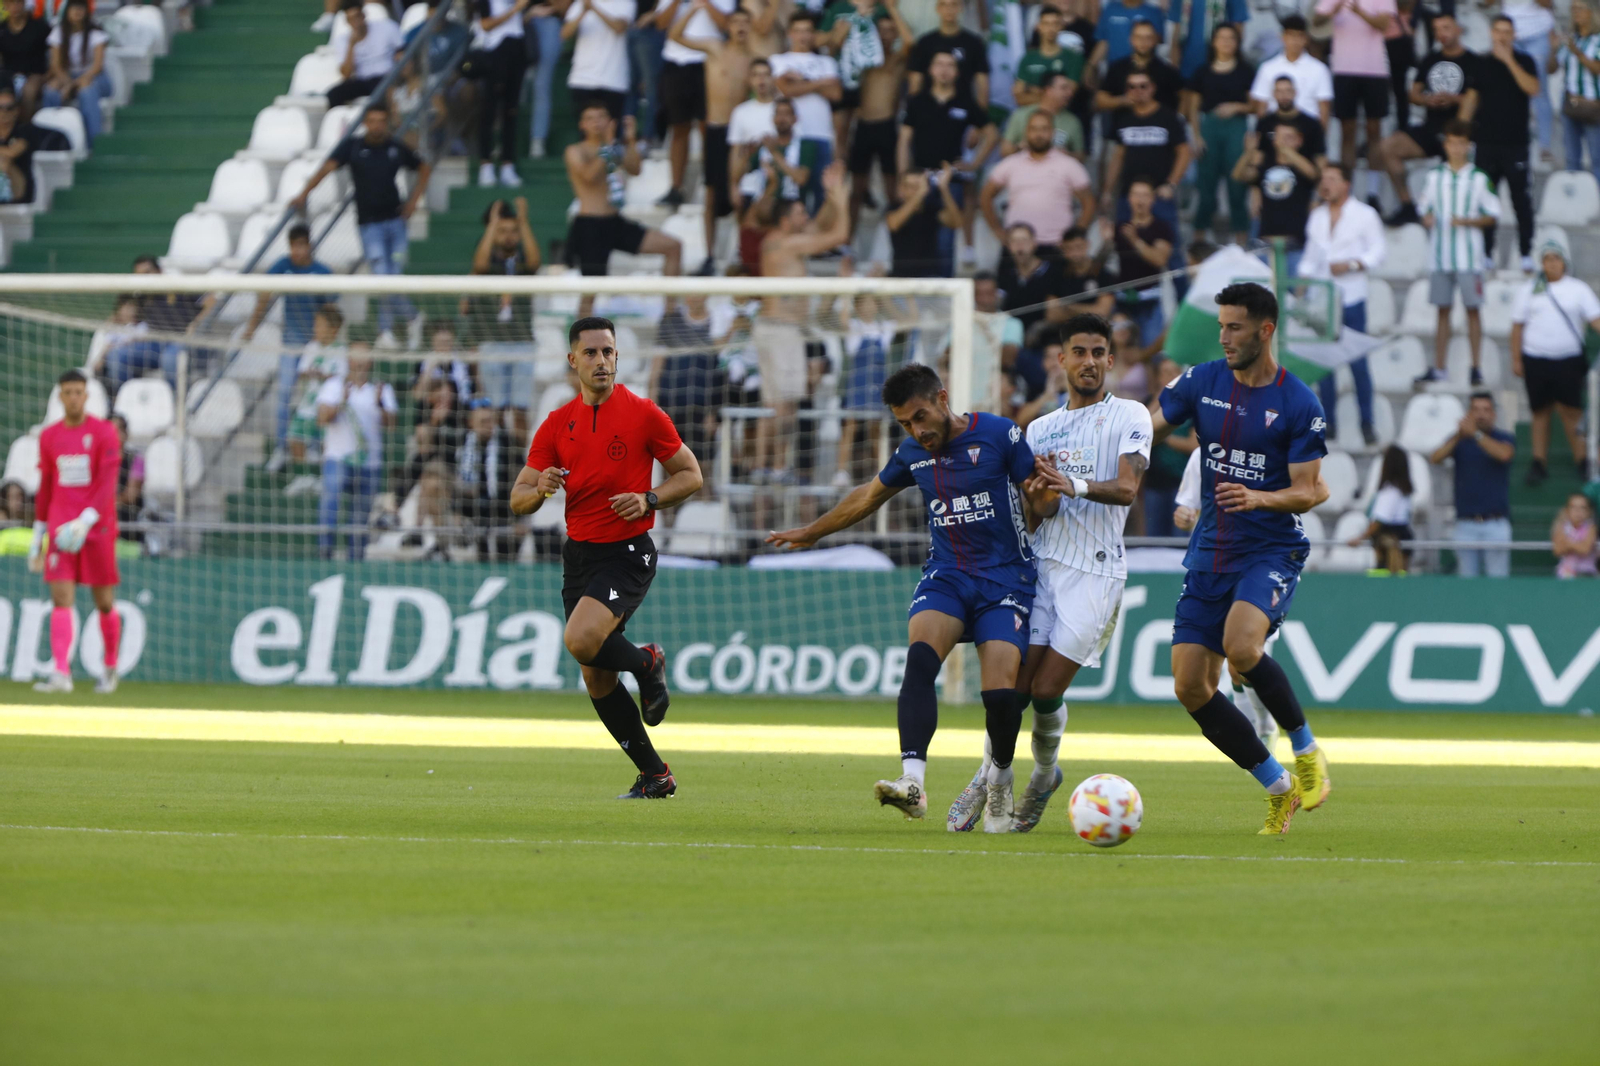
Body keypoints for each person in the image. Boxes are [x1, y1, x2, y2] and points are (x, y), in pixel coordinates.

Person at [767, 363, 1040, 831]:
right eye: (905, 424)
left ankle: (998, 779)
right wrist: (813, 533)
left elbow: (1038, 498)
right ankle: (913, 783)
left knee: (1000, 697)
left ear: (942, 398)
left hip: (1005, 581)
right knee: (919, 659)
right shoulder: (913, 453)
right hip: (948, 576)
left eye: (919, 417)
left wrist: (1047, 498)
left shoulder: (999, 435)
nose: (917, 430)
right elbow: (867, 497)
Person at [947, 313, 1153, 833]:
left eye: (1098, 353)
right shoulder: (1039, 428)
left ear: (1111, 359)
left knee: (1045, 692)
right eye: (1078, 352)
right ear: (1060, 360)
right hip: (1040, 568)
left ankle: (1042, 775)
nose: (1089, 362)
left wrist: (1069, 484)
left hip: (1096, 573)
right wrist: (1040, 499)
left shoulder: (1131, 415)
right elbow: (1037, 511)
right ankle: (991, 779)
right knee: (1012, 688)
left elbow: (1127, 488)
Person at [1149, 282, 1332, 835]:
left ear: (1265, 330)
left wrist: (1258, 497)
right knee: (1189, 686)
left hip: (1270, 548)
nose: (1223, 337)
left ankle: (1306, 750)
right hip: (1211, 551)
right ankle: (1279, 787)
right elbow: (1149, 425)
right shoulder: (1203, 382)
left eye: (1234, 327)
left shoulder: (1298, 401)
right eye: (1221, 326)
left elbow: (1310, 490)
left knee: (1242, 647)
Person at [511, 316, 705, 799]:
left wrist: (650, 499)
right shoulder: (557, 423)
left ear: (618, 357)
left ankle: (647, 661)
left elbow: (691, 475)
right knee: (596, 675)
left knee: (580, 639)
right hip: (579, 555)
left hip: (628, 552)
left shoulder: (643, 414)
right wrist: (541, 488)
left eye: (609, 352)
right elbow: (518, 497)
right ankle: (656, 776)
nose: (602, 360)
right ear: (572, 360)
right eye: (592, 352)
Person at [291, 103, 432, 349]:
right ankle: (411, 318)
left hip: (396, 224)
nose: (376, 125)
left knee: (394, 276)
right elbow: (326, 168)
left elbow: (423, 167)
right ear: (365, 122)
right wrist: (304, 193)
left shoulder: (395, 148)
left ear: (386, 122)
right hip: (370, 227)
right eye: (372, 120)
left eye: (381, 120)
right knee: (382, 276)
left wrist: (413, 201)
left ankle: (389, 330)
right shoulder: (354, 147)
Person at [27, 369, 122, 695]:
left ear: (87, 395)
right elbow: (47, 486)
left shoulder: (104, 433)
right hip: (61, 527)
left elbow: (107, 482)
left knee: (104, 602)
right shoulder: (49, 436)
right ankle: (61, 673)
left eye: (78, 392)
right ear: (59, 396)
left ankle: (110, 667)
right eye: (67, 392)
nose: (73, 397)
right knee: (60, 598)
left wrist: (88, 518)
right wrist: (38, 533)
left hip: (96, 528)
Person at [755, 164, 850, 476]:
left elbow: (818, 223)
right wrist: (842, 199)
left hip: (774, 328)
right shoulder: (788, 243)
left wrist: (829, 193)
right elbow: (839, 234)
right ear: (786, 220)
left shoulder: (778, 239)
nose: (805, 218)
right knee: (784, 404)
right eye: (799, 213)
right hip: (782, 330)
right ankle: (777, 465)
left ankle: (766, 467)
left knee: (774, 404)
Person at [563, 105, 681, 314]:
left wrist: (630, 140)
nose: (596, 122)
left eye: (601, 116)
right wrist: (607, 145)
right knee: (590, 291)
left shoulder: (615, 148)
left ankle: (669, 316)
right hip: (590, 225)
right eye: (590, 118)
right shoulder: (575, 150)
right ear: (582, 124)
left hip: (615, 222)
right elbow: (589, 177)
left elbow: (636, 170)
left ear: (610, 120)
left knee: (673, 246)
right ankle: (578, 341)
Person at [668, 1, 757, 274]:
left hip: (742, 134)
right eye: (735, 22)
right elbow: (675, 36)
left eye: (745, 23)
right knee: (710, 193)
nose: (740, 27)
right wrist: (695, 9)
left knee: (743, 195)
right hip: (717, 130)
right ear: (727, 26)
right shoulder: (715, 48)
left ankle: (742, 254)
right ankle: (709, 255)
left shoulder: (755, 59)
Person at [1300, 162, 1385, 445]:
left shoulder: (1364, 215)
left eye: (1332, 179)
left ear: (1346, 184)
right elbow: (1310, 258)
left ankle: (1367, 421)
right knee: (1324, 364)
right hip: (1322, 298)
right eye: (1324, 179)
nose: (1326, 185)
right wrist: (1301, 287)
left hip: (1352, 296)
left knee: (1357, 363)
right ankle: (1329, 422)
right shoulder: (1317, 217)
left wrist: (1351, 264)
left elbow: (1378, 251)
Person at [242, 224, 338, 472]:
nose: (297, 251)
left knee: (318, 394)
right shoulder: (283, 266)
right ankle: (281, 448)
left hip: (317, 346)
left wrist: (328, 344)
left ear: (309, 246)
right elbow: (264, 294)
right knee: (284, 393)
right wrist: (251, 328)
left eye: (301, 245)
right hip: (292, 343)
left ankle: (316, 444)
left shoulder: (322, 273)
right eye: (293, 246)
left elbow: (331, 311)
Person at [1413, 120, 1496, 387]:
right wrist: (1426, 216)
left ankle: (1475, 366)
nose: (1457, 148)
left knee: (1473, 310)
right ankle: (1440, 367)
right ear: (1446, 145)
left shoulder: (1479, 178)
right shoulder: (1435, 176)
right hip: (1440, 256)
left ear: (1468, 146)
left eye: (1462, 144)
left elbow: (1493, 215)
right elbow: (1424, 206)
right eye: (1452, 143)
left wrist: (1468, 222)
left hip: (1470, 258)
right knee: (1442, 311)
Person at [898, 51, 996, 275]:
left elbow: (991, 134)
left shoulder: (965, 101)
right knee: (916, 234)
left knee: (945, 239)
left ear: (957, 72)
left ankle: (943, 295)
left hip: (949, 180)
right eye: (939, 64)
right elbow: (903, 141)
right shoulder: (917, 101)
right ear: (931, 70)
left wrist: (973, 164)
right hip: (919, 178)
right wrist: (903, 176)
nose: (944, 69)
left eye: (949, 65)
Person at [1510, 243, 1598, 485]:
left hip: (1568, 360)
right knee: (1540, 411)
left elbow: (1595, 319)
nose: (1552, 263)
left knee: (1572, 412)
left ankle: (1582, 460)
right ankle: (1539, 461)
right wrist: (1516, 359)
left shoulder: (1577, 289)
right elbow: (1517, 326)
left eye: (1556, 259)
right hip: (1536, 358)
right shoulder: (1529, 290)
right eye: (1547, 259)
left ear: (1565, 262)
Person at [1376, 12, 1476, 227]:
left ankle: (1457, 212)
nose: (1442, 34)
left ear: (1458, 29)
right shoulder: (1430, 59)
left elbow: (1478, 100)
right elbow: (1413, 94)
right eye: (1437, 29)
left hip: (1462, 132)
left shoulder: (1474, 61)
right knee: (1387, 147)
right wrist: (1427, 100)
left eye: (1446, 28)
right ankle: (1407, 206)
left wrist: (1454, 99)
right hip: (1432, 128)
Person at [463, 196, 540, 440]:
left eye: (513, 231)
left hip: (522, 343)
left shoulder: (523, 266)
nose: (508, 236)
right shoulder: (486, 267)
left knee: (520, 409)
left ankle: (520, 462)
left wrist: (524, 221)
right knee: (494, 409)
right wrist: (492, 226)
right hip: (492, 343)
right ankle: (495, 458)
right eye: (502, 231)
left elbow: (536, 260)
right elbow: (479, 263)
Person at [654, 0, 735, 209]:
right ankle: (676, 187)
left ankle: (711, 184)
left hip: (708, 62)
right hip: (675, 62)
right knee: (679, 127)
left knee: (706, 126)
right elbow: (661, 23)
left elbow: (726, 25)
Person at [1473, 15, 1539, 271]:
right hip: (1486, 144)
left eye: (1507, 32)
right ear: (1491, 33)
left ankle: (1525, 253)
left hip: (1516, 144)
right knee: (1485, 201)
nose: (1502, 36)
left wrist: (1509, 60)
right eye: (1498, 31)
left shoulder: (1525, 61)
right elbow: (1472, 97)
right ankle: (1486, 254)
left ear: (1514, 35)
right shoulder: (1481, 63)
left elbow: (1533, 88)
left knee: (1520, 200)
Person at [315, 351, 395, 561]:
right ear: (348, 361)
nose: (359, 364)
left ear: (370, 362)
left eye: (364, 360)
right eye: (355, 360)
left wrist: (380, 404)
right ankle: (324, 551)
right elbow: (322, 419)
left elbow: (392, 425)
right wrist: (342, 401)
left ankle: (356, 558)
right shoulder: (333, 385)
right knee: (331, 498)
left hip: (370, 463)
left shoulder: (382, 389)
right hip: (338, 458)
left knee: (361, 514)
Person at [1428, 391, 1515, 576]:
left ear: (1493, 414)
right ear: (1469, 413)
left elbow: (1504, 454)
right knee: (1467, 585)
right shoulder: (1460, 440)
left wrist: (1475, 434)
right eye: (1476, 410)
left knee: (1498, 583)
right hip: (1465, 523)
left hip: (1496, 523)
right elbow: (1435, 457)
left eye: (1486, 410)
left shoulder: (1504, 437)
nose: (1481, 414)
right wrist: (1460, 435)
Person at [1313, 0, 1394, 200]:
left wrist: (1358, 11)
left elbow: (1384, 25)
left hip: (1374, 70)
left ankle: (1373, 194)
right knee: (1346, 132)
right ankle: (1345, 193)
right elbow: (1315, 22)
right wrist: (1333, 9)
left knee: (1374, 131)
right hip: (1343, 69)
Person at [981, 109, 1094, 250]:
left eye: (1044, 129)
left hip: (1056, 245)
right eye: (1033, 129)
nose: (1038, 134)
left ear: (1053, 132)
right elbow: (985, 196)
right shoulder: (1010, 164)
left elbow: (1089, 202)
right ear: (1026, 132)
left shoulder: (1069, 165)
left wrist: (1074, 238)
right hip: (1017, 246)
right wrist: (998, 231)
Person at [845, 3, 913, 236]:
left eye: (889, 30)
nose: (885, 35)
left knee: (893, 191)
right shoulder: (864, 59)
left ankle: (896, 240)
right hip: (863, 126)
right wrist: (863, 17)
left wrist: (892, 9)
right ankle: (847, 243)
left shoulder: (897, 60)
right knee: (856, 191)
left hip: (886, 126)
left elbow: (910, 42)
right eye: (881, 30)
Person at [1184, 22, 1254, 245]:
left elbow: (1255, 105)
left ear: (1237, 43)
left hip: (1236, 127)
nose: (1226, 42)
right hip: (1209, 128)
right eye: (1221, 38)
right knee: (1206, 188)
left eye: (1231, 38)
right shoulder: (1202, 71)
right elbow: (1192, 107)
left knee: (1237, 186)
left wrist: (1236, 107)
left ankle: (1242, 241)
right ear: (1213, 42)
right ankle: (1199, 242)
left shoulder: (1246, 70)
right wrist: (1196, 135)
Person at [1102, 70, 1188, 245]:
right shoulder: (1123, 118)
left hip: (1159, 195)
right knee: (1125, 248)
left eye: (1143, 86)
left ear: (1152, 88)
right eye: (1132, 87)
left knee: (1171, 249)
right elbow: (1118, 156)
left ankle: (1178, 275)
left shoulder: (1168, 116)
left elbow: (1185, 152)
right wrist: (1107, 191)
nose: (1137, 90)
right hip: (1128, 195)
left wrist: (1171, 184)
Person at [771, 11, 843, 206]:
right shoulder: (778, 61)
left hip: (821, 136)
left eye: (808, 31)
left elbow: (836, 94)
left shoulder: (827, 62)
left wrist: (803, 80)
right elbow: (785, 89)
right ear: (789, 34)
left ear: (814, 35)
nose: (803, 36)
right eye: (798, 31)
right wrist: (820, 84)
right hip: (791, 138)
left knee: (821, 198)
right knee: (790, 200)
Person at [1233, 119, 1317, 264]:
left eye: (1289, 137)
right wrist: (1249, 153)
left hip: (1296, 244)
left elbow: (1313, 174)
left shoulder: (1304, 166)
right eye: (1280, 136)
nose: (1283, 141)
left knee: (1295, 285)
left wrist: (1285, 150)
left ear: (1299, 141)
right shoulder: (1265, 165)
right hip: (1266, 243)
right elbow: (1238, 175)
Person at [470, 0, 533, 188]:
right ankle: (486, 165)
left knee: (511, 111)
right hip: (496, 53)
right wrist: (516, 9)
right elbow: (486, 24)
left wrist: (530, 13)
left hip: (517, 50)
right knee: (489, 111)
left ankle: (508, 165)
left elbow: (516, 22)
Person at [1107, 178, 1174, 347]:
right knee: (1117, 349)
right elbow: (1098, 264)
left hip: (1150, 300)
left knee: (1150, 349)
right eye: (1136, 195)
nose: (1140, 200)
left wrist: (1135, 240)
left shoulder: (1161, 228)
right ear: (1129, 198)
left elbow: (1159, 259)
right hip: (1122, 300)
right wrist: (1105, 242)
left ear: (1152, 199)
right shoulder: (1119, 227)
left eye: (1145, 195)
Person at [455, 397, 520, 560]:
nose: (488, 426)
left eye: (490, 421)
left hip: (503, 508)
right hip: (470, 508)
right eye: (483, 422)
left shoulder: (508, 443)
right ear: (471, 423)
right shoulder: (461, 442)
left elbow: (522, 478)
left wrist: (521, 518)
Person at [40, 0, 109, 145]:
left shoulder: (96, 33)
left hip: (95, 77)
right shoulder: (58, 32)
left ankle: (94, 143)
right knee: (50, 90)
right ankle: (51, 141)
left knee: (86, 91)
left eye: (81, 8)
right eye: (73, 8)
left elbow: (97, 66)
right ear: (66, 12)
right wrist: (68, 83)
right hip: (67, 76)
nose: (77, 12)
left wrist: (72, 86)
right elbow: (56, 66)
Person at [1246, 15, 1332, 128]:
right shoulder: (1267, 68)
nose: (1295, 41)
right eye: (1291, 35)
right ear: (1282, 37)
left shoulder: (1320, 69)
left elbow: (1324, 108)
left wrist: (1318, 140)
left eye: (1299, 36)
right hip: (1275, 133)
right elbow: (1262, 107)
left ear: (1306, 39)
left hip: (1307, 132)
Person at [906, 0, 990, 103]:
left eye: (954, 4)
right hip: (928, 110)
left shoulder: (974, 43)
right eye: (944, 4)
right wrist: (913, 112)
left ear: (961, 8)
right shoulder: (925, 43)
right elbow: (916, 82)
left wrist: (980, 115)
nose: (949, 9)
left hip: (964, 109)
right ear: (937, 8)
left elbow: (982, 84)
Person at [1501, 0, 1554, 162]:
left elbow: (1548, 3)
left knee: (1539, 90)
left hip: (1537, 33)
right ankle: (1511, 137)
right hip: (1510, 34)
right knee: (1509, 90)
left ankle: (1545, 144)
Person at [1095, 18, 1183, 115]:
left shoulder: (1167, 72)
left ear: (1155, 40)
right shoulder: (1117, 68)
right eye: (1138, 37)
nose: (1143, 41)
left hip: (1159, 127)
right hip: (1124, 126)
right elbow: (1100, 100)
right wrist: (1123, 101)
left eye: (1148, 37)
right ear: (1131, 39)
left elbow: (1183, 98)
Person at [887, 165, 963, 278]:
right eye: (910, 186)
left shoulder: (932, 209)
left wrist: (944, 188)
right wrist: (920, 193)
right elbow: (893, 224)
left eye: (918, 186)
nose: (915, 190)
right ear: (901, 188)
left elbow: (956, 222)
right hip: (901, 277)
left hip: (930, 277)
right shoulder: (894, 208)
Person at [1347, 444, 1414, 572]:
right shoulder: (1404, 491)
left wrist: (1360, 538)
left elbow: (1379, 521)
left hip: (1390, 545)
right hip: (1404, 537)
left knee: (1385, 579)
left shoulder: (1389, 492)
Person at [326, 0, 403, 108]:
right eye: (351, 19)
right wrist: (351, 45)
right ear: (347, 22)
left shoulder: (387, 27)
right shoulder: (343, 40)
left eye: (357, 16)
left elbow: (402, 53)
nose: (355, 22)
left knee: (384, 89)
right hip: (362, 80)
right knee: (334, 94)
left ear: (363, 15)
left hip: (386, 77)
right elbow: (346, 74)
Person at [1558, 2, 1600, 186]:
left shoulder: (1598, 40)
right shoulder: (1571, 38)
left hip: (1592, 104)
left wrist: (1576, 52)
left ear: (1592, 12)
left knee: (1597, 157)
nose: (1576, 13)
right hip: (1570, 102)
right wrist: (1553, 49)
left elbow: (1597, 68)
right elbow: (1552, 68)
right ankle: (1575, 202)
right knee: (1571, 157)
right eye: (1573, 9)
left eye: (1580, 8)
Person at [996, 222, 1066, 331]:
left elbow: (1055, 313)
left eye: (1024, 240)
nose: (1019, 246)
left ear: (1034, 243)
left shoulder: (1051, 271)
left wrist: (1039, 328)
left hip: (1045, 334)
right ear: (1008, 246)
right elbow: (998, 304)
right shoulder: (1006, 272)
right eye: (1014, 241)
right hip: (1011, 335)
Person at [1255, 73, 1328, 171]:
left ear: (1295, 92)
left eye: (1288, 91)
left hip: (1303, 179)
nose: (1284, 96)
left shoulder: (1311, 124)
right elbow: (1258, 157)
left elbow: (1320, 158)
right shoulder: (1264, 123)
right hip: (1269, 178)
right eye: (1279, 91)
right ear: (1273, 94)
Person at [1002, 72, 1084, 159]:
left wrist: (1066, 155)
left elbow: (1081, 156)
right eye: (1064, 88)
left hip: (1059, 171)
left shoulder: (1072, 121)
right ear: (1048, 90)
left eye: (1069, 89)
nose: (1070, 93)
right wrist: (1020, 148)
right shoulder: (1020, 115)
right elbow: (1004, 151)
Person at [1012, 5, 1082, 106]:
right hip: (1030, 114)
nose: (1051, 28)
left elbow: (1066, 96)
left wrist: (1031, 89)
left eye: (1055, 23)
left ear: (1061, 26)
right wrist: (1052, 94)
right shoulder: (1028, 58)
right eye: (1046, 24)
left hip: (1060, 115)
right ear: (1038, 26)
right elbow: (1019, 98)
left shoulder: (1073, 58)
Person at [0, 2, 50, 118]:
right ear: (5, 6)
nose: (14, 7)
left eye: (18, 3)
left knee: (28, 92)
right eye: (11, 4)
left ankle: (24, 127)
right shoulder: (2, 29)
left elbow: (54, 50)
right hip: (9, 74)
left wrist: (48, 75)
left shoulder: (39, 26)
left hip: (36, 74)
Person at [1089, 0, 1166, 68]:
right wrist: (1091, 65)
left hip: (1145, 70)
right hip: (1115, 69)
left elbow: (1157, 42)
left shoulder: (1153, 12)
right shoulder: (1110, 9)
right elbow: (1103, 41)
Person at [0, 83, 37, 205]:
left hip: (20, 186)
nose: (4, 112)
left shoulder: (23, 130)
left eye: (9, 108)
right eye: (0, 107)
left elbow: (12, 152)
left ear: (16, 110)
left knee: (3, 162)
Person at [109, 413, 143, 543]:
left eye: (118, 430)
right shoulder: (97, 460)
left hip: (126, 523)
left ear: (125, 434)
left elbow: (131, 496)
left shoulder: (136, 460)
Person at [1552, 492, 1599, 578]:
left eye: (1583, 508)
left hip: (1588, 573)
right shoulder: (1561, 528)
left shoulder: (1591, 528)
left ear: (1588, 512)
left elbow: (1585, 549)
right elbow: (1558, 550)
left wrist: (1568, 543)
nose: (1578, 511)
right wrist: (1579, 544)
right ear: (1567, 511)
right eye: (1573, 507)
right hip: (1565, 573)